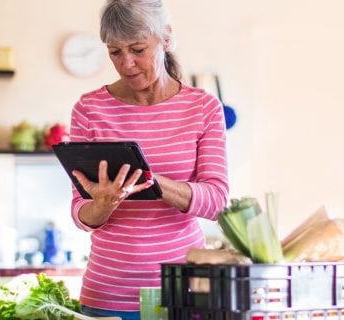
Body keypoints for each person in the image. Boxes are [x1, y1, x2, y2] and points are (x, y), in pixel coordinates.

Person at [67, 0, 229, 319]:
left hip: (181, 293)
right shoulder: (89, 109)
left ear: (165, 39)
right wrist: (103, 204)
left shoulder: (204, 108)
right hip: (107, 295)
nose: (127, 63)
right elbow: (79, 211)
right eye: (115, 52)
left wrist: (152, 182)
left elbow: (218, 202)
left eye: (138, 49)